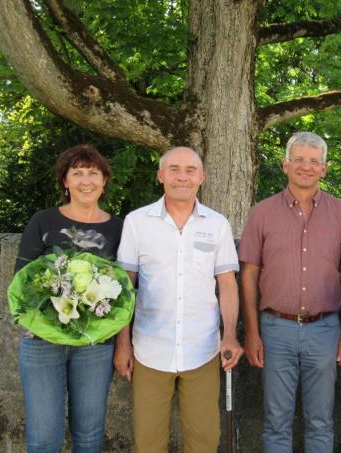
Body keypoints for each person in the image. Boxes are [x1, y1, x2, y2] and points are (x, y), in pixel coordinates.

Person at [113, 146, 244, 453]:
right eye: (174, 169)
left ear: (202, 177)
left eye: (190, 170)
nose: (182, 177)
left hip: (203, 349)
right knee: (148, 443)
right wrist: (123, 343)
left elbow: (227, 284)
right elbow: (124, 287)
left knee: (204, 442)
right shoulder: (137, 222)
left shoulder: (217, 224)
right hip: (149, 350)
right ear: (161, 176)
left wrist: (229, 335)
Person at [238, 132, 341, 453]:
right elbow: (249, 274)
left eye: (314, 161)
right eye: (299, 159)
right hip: (275, 329)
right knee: (276, 421)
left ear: (324, 169)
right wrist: (252, 332)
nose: (306, 166)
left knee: (321, 421)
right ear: (285, 165)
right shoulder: (262, 212)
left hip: (325, 329)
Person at [14, 144, 123, 453]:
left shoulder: (119, 227)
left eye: (93, 173)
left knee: (89, 437)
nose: (85, 180)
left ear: (104, 180)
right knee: (44, 439)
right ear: (65, 181)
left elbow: (125, 288)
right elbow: (22, 280)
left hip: (94, 344)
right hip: (42, 342)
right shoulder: (43, 221)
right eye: (77, 173)